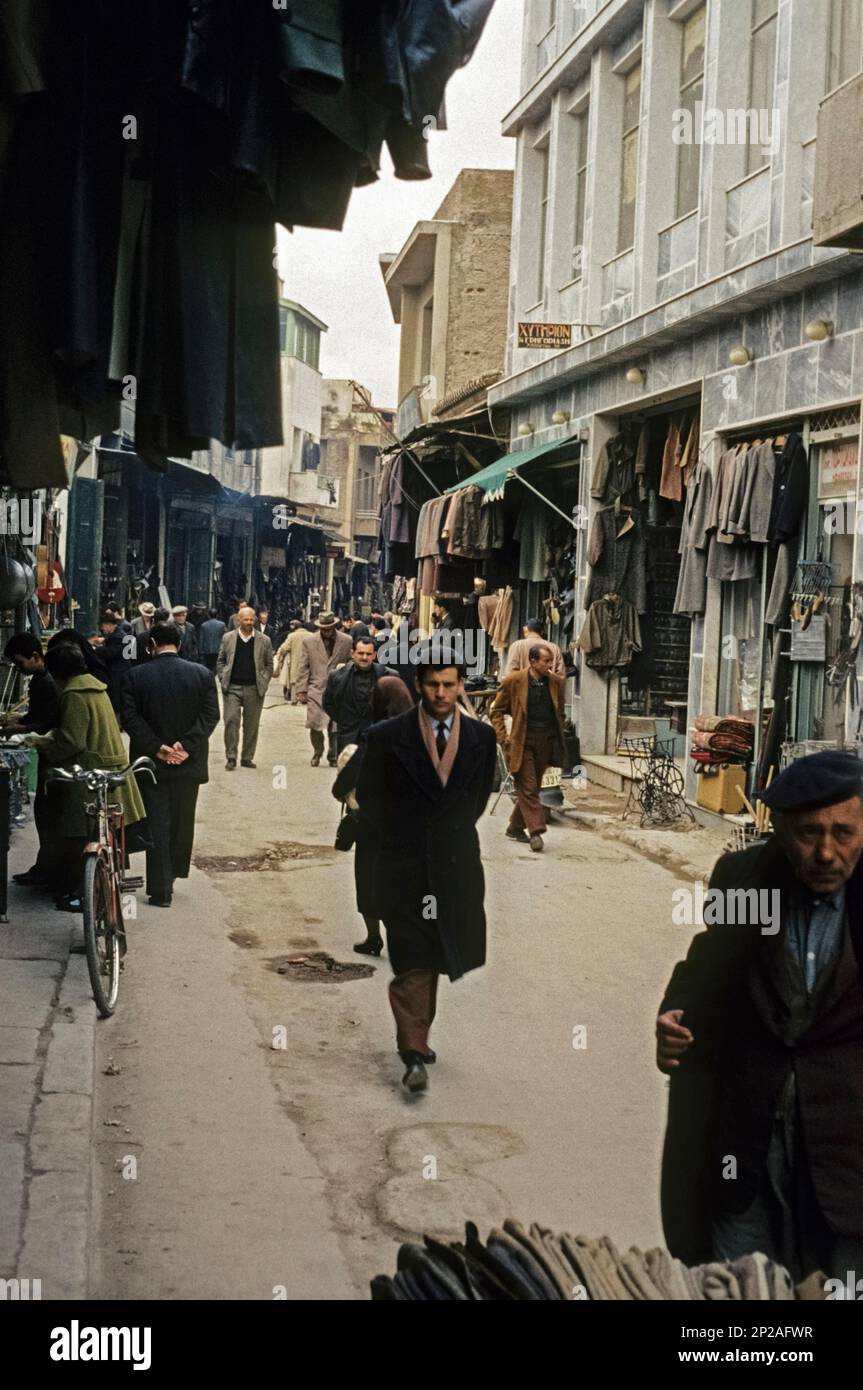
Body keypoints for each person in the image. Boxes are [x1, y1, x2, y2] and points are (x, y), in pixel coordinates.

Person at [656, 750, 863, 1280]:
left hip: (845, 1154)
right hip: (746, 1143)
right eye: (808, 833)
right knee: (743, 1294)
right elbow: (706, 965)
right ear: (780, 831)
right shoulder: (744, 878)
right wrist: (675, 1014)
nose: (825, 852)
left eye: (843, 833)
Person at [356, 638, 497, 1093]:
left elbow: (476, 799)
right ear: (419, 686)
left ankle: (420, 1035)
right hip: (404, 868)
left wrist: (449, 836)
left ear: (460, 688)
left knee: (436, 955)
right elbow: (372, 801)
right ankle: (412, 1051)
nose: (441, 693)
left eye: (449, 685)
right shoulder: (387, 737)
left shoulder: (481, 738)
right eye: (433, 684)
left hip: (454, 868)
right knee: (412, 957)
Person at [26, 643, 145, 910]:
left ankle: (86, 894)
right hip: (111, 768)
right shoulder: (95, 686)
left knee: (83, 839)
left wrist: (37, 742)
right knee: (102, 837)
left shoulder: (73, 694)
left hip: (90, 776)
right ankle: (96, 893)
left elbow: (72, 741)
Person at [121, 622, 220, 908]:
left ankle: (160, 889)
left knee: (157, 823)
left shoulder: (134, 677)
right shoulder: (202, 675)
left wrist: (158, 748)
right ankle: (172, 876)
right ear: (180, 644)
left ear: (151, 644)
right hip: (188, 763)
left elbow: (130, 719)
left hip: (150, 764)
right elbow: (210, 715)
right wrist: (185, 746)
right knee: (181, 821)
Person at [332, 675, 414, 956]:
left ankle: (373, 938)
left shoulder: (376, 736)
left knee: (369, 882)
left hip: (373, 825)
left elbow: (346, 781)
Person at [489, 643, 567, 853]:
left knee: (532, 787)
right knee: (529, 786)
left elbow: (560, 713)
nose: (550, 665)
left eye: (550, 661)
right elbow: (495, 711)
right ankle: (535, 832)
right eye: (545, 661)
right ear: (533, 662)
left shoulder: (556, 683)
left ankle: (515, 828)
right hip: (521, 742)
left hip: (546, 742)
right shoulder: (514, 681)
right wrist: (503, 738)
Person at [1, 633, 61, 888]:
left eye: (20, 662)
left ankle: (47, 870)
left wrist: (16, 728)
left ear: (36, 656)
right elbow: (35, 715)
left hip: (51, 752)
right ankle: (44, 867)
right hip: (46, 748)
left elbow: (45, 722)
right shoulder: (39, 679)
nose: (19, 669)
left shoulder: (47, 682)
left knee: (48, 814)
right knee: (44, 814)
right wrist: (16, 721)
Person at [215, 605, 273, 770]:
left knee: (251, 724)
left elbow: (269, 664)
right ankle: (231, 757)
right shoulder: (228, 638)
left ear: (254, 620)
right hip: (232, 686)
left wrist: (265, 680)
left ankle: (247, 757)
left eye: (251, 619)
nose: (249, 622)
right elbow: (221, 660)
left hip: (254, 688)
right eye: (245, 619)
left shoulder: (264, 640)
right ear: (238, 620)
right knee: (231, 721)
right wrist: (222, 676)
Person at [323, 635, 398, 756]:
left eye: (368, 654)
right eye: (360, 653)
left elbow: (396, 708)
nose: (364, 657)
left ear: (374, 655)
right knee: (348, 773)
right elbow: (328, 704)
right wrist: (345, 720)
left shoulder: (390, 676)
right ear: (353, 654)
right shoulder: (336, 677)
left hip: (378, 738)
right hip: (347, 736)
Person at [295, 612, 351, 767]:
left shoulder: (346, 641)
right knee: (314, 723)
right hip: (316, 688)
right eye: (323, 628)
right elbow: (303, 666)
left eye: (329, 628)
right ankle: (317, 751)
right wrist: (301, 690)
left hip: (338, 689)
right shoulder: (309, 642)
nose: (326, 631)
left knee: (334, 725)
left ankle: (332, 755)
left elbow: (350, 663)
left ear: (334, 626)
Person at [95, 610, 132, 717]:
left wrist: (96, 650)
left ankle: (117, 721)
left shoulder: (117, 637)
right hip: (119, 670)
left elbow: (110, 653)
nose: (102, 629)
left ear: (109, 625)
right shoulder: (117, 634)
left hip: (117, 671)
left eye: (103, 626)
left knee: (116, 697)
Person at [273, 619, 308, 703]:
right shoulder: (311, 635)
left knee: (294, 680)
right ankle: (306, 698)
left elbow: (285, 648)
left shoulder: (292, 636)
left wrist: (279, 655)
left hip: (294, 660)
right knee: (307, 678)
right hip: (307, 660)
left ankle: (294, 699)